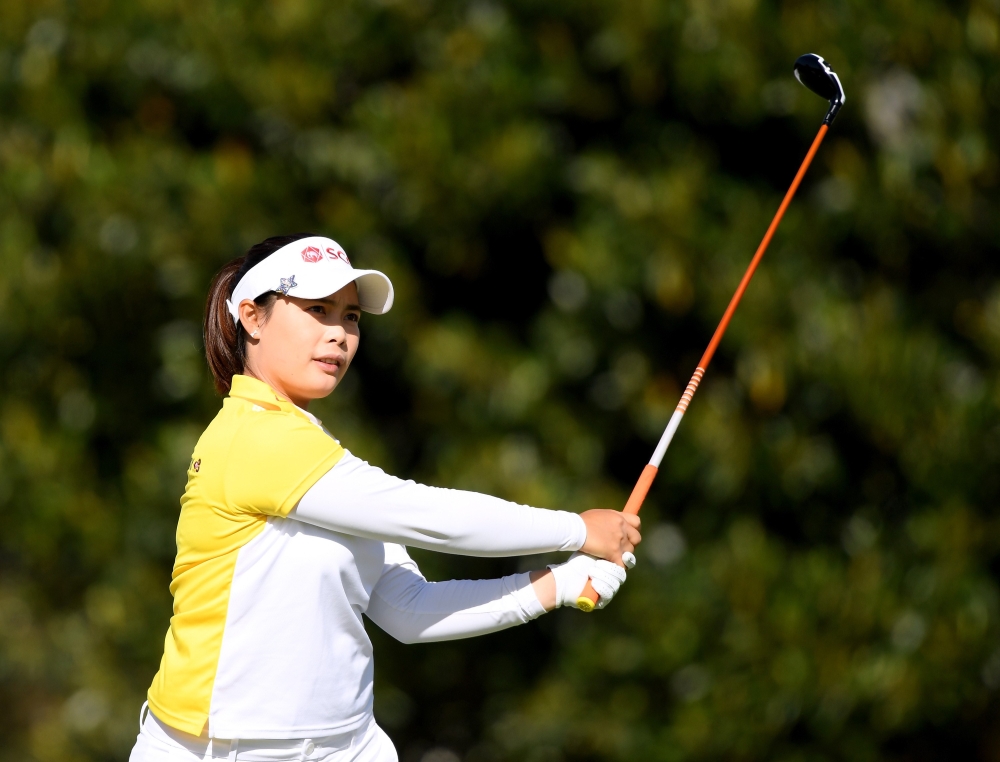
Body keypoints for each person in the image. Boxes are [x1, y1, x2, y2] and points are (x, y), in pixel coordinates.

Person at [129, 234, 641, 762]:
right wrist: (577, 531)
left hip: (347, 746)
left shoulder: (318, 454)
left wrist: (557, 583)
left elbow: (407, 609)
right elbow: (426, 516)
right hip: (218, 750)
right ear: (252, 318)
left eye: (350, 317)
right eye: (317, 310)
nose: (339, 335)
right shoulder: (255, 437)